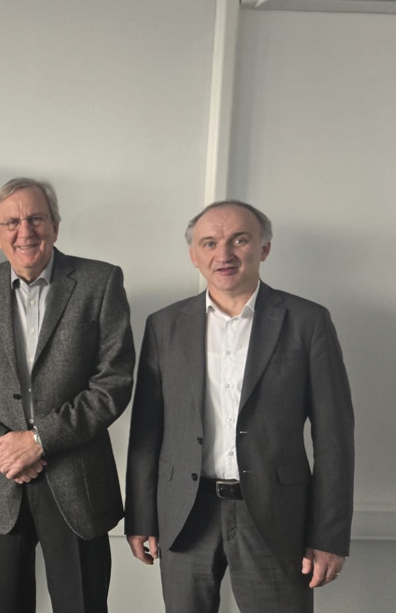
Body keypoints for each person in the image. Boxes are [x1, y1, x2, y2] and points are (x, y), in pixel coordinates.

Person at [124, 200, 354, 613]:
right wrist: (140, 517)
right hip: (185, 514)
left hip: (275, 516)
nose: (224, 254)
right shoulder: (164, 325)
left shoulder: (308, 322)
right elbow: (147, 429)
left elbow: (334, 437)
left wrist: (329, 536)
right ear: (194, 255)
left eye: (239, 240)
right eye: (209, 243)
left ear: (264, 248)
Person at [0, 177, 135, 613]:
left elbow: (114, 381)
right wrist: (2, 446)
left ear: (55, 226)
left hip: (77, 479)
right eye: (12, 222)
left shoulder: (100, 282)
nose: (24, 231)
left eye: (36, 218)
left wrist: (40, 440)